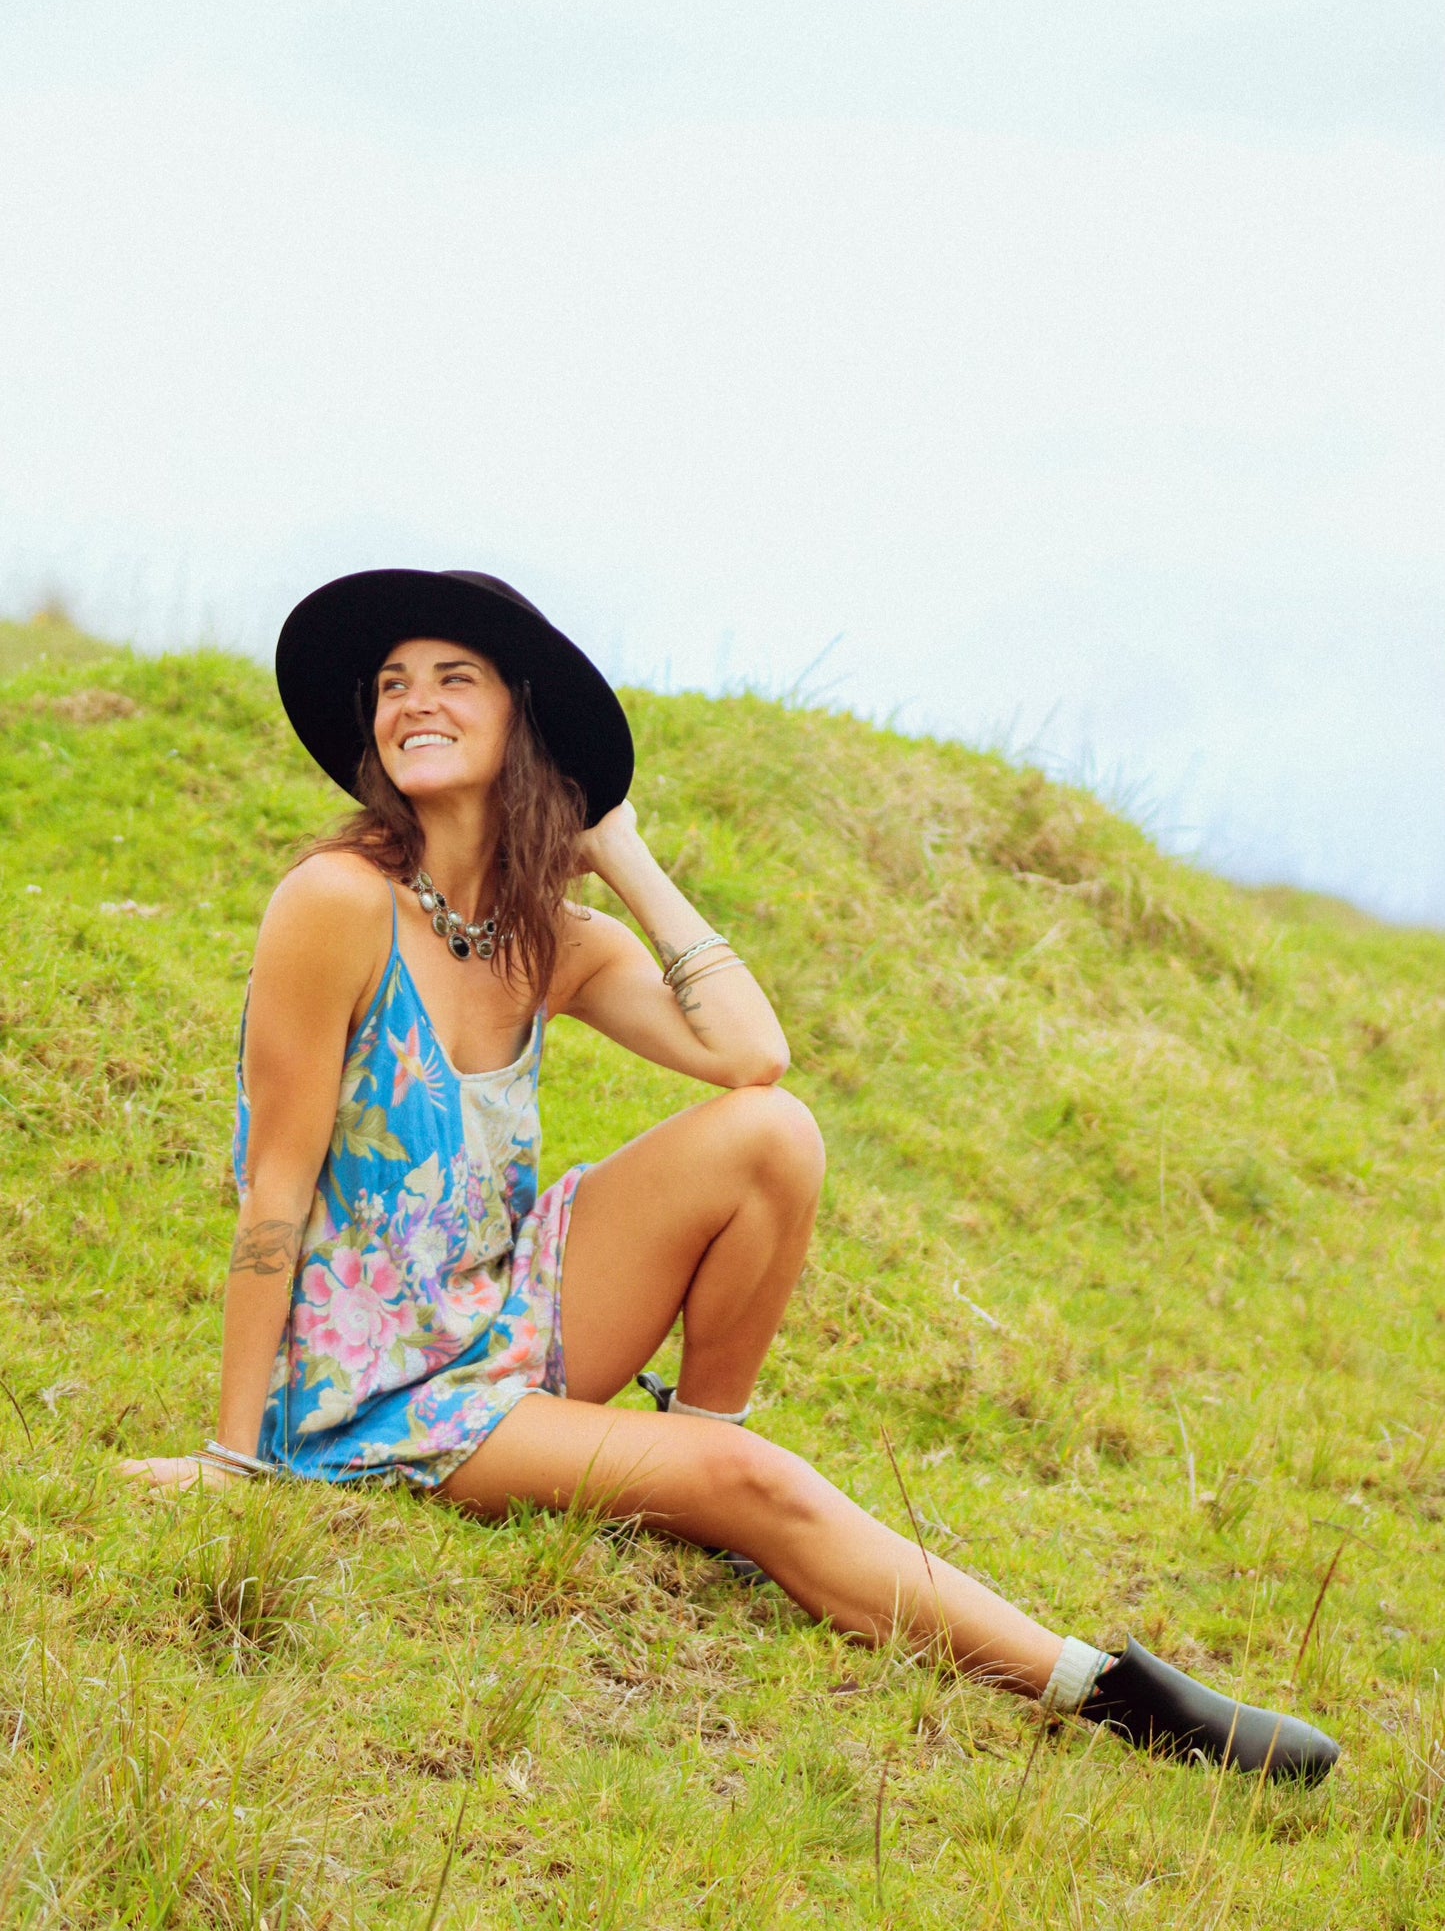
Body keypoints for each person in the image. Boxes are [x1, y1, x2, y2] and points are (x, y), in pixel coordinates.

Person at [125, 568, 1339, 1783]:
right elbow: (272, 1190)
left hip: (497, 1314)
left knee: (774, 1132)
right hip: (374, 1388)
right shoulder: (333, 903)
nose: (412, 702)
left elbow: (749, 1053)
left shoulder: (550, 938)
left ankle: (698, 1449)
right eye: (392, 685)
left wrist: (627, 860)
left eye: (454, 679)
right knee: (751, 1477)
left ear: (520, 723)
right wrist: (239, 1458)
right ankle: (1104, 1692)